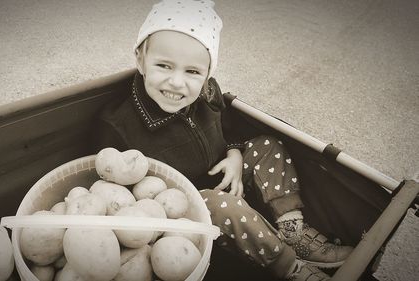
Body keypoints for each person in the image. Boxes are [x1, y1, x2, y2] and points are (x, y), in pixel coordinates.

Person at [94, 1, 353, 280]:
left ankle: (292, 229)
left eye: (192, 71)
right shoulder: (119, 124)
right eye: (163, 66)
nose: (177, 82)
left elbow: (230, 127)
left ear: (207, 73)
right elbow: (112, 186)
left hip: (224, 172)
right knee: (223, 207)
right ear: (140, 60)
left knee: (268, 145)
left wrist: (234, 154)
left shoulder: (207, 93)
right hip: (184, 208)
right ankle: (288, 264)